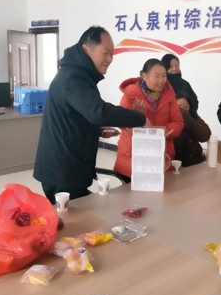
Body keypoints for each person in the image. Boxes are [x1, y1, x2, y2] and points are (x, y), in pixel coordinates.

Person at [33, 26, 147, 204]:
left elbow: (76, 115)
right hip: (62, 169)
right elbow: (99, 112)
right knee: (76, 217)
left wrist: (95, 130)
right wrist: (140, 119)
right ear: (86, 49)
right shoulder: (73, 77)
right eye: (106, 53)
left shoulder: (77, 74)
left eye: (112, 54)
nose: (110, 59)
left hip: (69, 166)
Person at [114, 58, 184, 179]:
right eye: (157, 76)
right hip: (132, 158)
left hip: (160, 156)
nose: (161, 80)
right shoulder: (131, 94)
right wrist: (134, 115)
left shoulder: (169, 95)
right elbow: (122, 124)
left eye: (164, 76)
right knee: (131, 191)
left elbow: (178, 123)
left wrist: (156, 131)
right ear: (144, 76)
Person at [173, 91, 211, 167]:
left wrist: (186, 117)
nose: (182, 109)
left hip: (196, 161)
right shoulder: (170, 119)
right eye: (179, 106)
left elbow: (205, 135)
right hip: (177, 163)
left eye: (185, 106)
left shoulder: (193, 117)